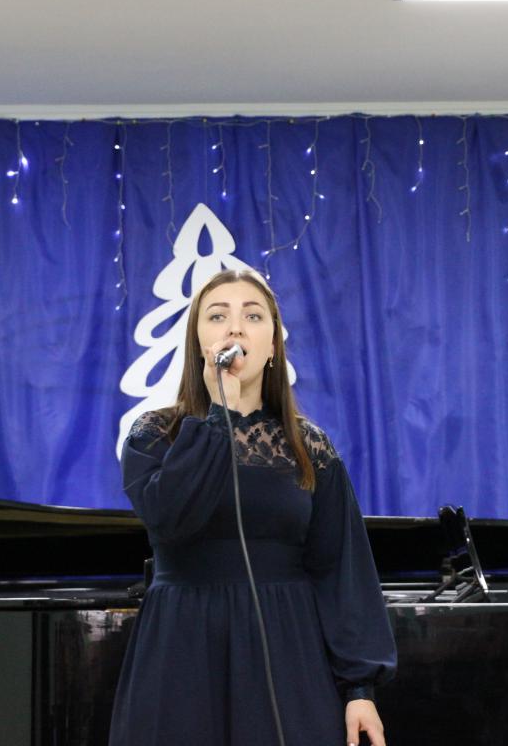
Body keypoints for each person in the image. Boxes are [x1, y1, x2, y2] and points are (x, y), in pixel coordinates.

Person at [108, 269, 396, 746]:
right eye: (217, 316)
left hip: (288, 642)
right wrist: (218, 414)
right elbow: (170, 519)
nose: (235, 328)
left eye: (253, 316)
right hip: (183, 641)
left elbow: (341, 569)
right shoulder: (155, 434)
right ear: (198, 342)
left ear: (274, 346)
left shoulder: (310, 446)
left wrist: (359, 688)